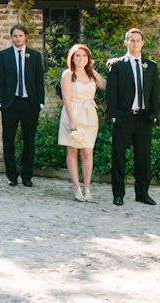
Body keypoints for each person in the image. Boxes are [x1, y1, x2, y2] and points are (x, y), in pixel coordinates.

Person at [106, 28, 160, 206]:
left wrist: (153, 115)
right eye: (132, 40)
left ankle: (142, 193)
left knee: (143, 157)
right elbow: (111, 94)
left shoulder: (150, 66)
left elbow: (155, 93)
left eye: (138, 40)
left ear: (143, 43)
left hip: (144, 117)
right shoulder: (118, 65)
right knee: (119, 156)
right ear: (126, 43)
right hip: (124, 117)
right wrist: (114, 116)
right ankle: (118, 194)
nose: (135, 43)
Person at [0, 24, 45, 187]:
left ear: (26, 37)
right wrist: (0, 102)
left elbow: (39, 80)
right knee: (8, 140)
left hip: (30, 103)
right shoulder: (3, 55)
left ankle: (27, 176)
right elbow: (0, 80)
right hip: (10, 103)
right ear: (12, 37)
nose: (17, 39)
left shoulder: (35, 55)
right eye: (15, 36)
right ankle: (11, 175)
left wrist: (40, 102)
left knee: (29, 140)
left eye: (20, 36)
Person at [57, 44, 106, 202]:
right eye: (77, 55)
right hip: (72, 114)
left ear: (88, 58)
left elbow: (107, 85)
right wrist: (72, 120)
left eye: (84, 56)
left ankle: (87, 187)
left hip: (89, 115)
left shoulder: (92, 74)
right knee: (72, 152)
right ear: (72, 58)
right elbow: (66, 99)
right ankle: (76, 187)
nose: (81, 59)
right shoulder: (68, 75)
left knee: (87, 152)